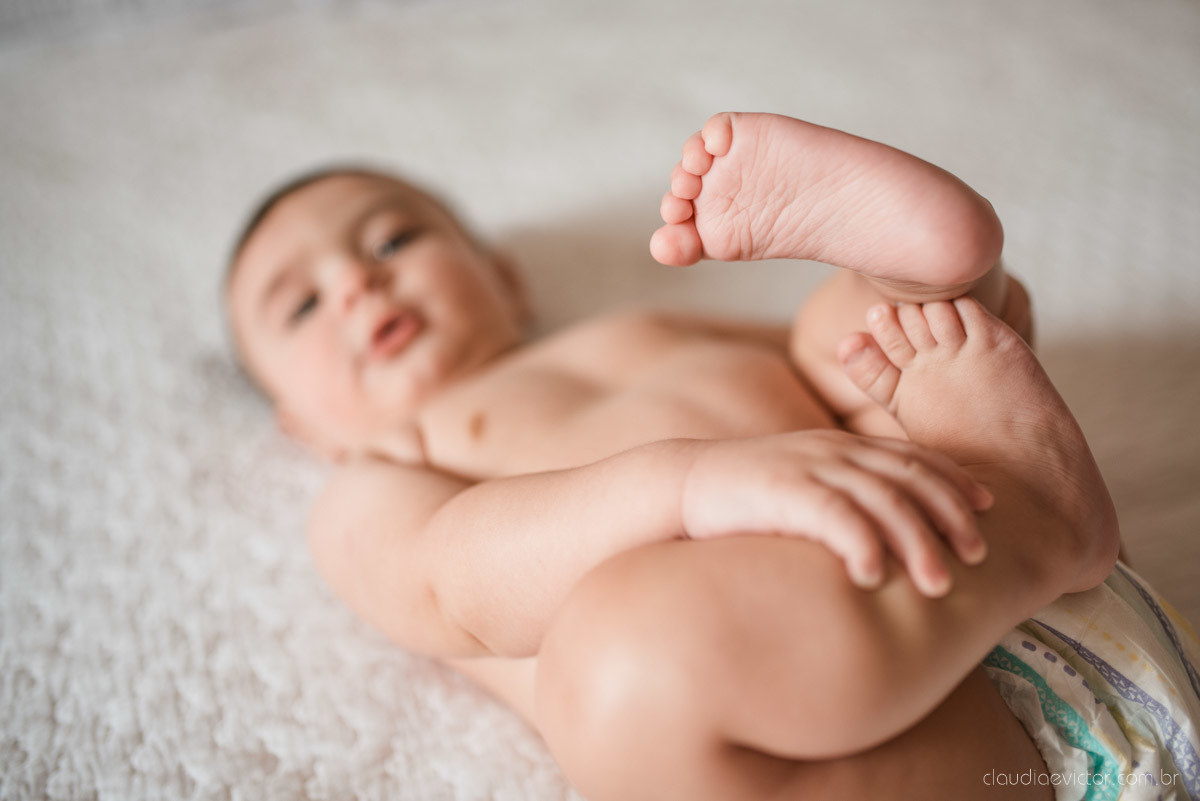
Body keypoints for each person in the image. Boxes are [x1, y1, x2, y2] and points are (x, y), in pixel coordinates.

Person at [224, 112, 1199, 800]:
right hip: (971, 755)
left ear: (504, 279)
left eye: (394, 237)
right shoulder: (374, 472)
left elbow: (833, 376)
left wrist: (902, 326)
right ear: (299, 426)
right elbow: (452, 578)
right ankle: (1037, 507)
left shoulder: (637, 331)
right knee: (615, 670)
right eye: (302, 305)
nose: (356, 281)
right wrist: (690, 484)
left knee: (860, 339)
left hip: (959, 552)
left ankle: (928, 258)